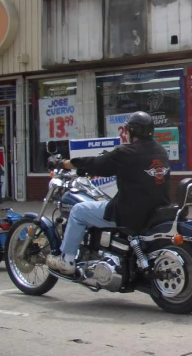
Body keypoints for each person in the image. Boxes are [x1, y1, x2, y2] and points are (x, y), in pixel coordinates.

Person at [46, 111, 171, 275]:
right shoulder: (161, 150)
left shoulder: (126, 153)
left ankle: (67, 260)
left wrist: (63, 163)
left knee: (78, 211)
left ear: (132, 131)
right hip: (155, 210)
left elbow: (96, 163)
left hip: (130, 212)